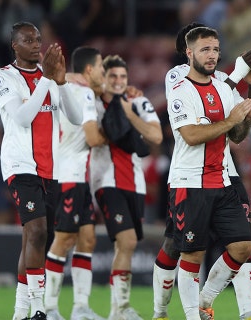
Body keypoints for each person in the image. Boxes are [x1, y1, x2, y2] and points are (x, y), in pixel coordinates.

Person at [152, 22, 251, 320]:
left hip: (223, 179)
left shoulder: (223, 83)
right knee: (187, 251)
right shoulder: (178, 82)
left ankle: (204, 302)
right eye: (205, 49)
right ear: (188, 52)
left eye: (215, 49)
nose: (212, 55)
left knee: (242, 247)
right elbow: (189, 134)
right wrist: (230, 120)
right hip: (189, 181)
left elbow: (237, 136)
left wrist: (249, 102)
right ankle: (170, 313)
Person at [0, 21, 83, 320]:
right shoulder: (3, 77)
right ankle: (39, 309)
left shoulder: (50, 78)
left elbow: (77, 117)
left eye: (38, 39)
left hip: (50, 169)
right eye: (28, 40)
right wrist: (46, 80)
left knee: (36, 236)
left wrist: (61, 80)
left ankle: (19, 314)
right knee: (38, 230)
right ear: (14, 45)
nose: (36, 44)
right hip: (20, 165)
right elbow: (22, 117)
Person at [90, 54, 163, 320]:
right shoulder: (94, 103)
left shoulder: (138, 101)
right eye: (113, 76)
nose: (119, 81)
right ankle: (120, 308)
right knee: (127, 240)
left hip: (135, 182)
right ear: (104, 78)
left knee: (126, 247)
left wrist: (129, 113)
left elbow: (156, 135)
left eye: (122, 77)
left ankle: (116, 310)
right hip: (106, 181)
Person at [43, 46, 106, 320]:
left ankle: (81, 308)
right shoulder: (84, 92)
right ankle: (49, 307)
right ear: (89, 70)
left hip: (76, 175)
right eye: (102, 68)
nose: (104, 74)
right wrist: (114, 135)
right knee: (64, 238)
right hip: (68, 175)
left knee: (87, 238)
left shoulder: (66, 87)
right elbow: (93, 138)